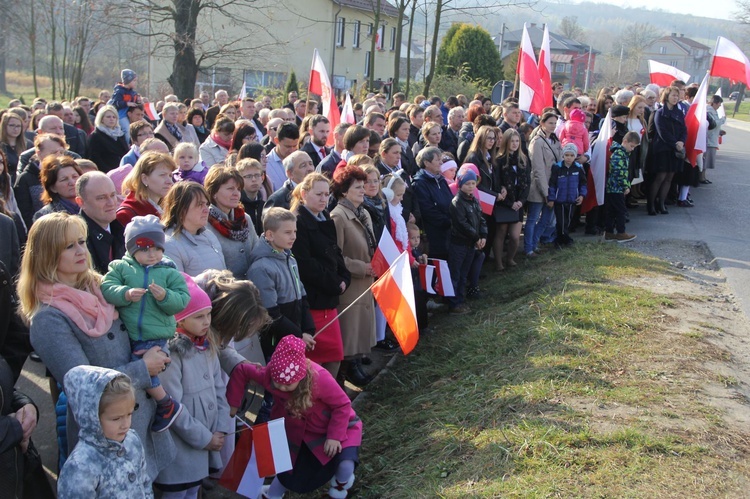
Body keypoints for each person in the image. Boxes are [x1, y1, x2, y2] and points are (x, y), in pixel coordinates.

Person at [18, 213, 176, 480]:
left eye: (81, 241)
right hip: (108, 435)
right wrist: (143, 368)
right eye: (69, 246)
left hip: (142, 419)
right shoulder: (48, 318)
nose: (81, 250)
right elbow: (85, 386)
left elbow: (149, 324)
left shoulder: (101, 286)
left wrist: (160, 350)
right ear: (46, 253)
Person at [226, 335, 362, 499]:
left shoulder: (320, 378)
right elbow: (242, 370)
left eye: (288, 384)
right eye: (278, 384)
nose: (282, 388)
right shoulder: (269, 375)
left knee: (345, 465)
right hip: (297, 433)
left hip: (335, 427)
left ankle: (339, 489)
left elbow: (342, 405)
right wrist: (233, 404)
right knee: (288, 472)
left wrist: (334, 436)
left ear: (301, 375)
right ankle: (272, 495)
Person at [101, 215, 189, 432]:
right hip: (129, 333)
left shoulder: (169, 271)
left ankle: (165, 403)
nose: (152, 254)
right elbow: (107, 287)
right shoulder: (121, 268)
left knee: (143, 367)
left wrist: (165, 297)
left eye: (157, 249)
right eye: (145, 249)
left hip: (154, 334)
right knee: (141, 367)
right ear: (132, 250)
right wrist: (125, 294)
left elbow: (183, 299)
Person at [154, 275, 232, 499]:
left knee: (193, 490)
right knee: (178, 493)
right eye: (199, 317)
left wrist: (220, 427)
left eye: (208, 314)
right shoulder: (171, 353)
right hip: (183, 446)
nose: (207, 321)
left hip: (207, 437)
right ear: (179, 321)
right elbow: (172, 405)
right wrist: (205, 438)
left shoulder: (207, 345)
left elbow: (220, 389)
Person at [57, 366, 151, 498]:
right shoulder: (80, 466)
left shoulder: (132, 440)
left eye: (129, 414)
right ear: (92, 418)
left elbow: (144, 481)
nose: (126, 424)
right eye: (116, 418)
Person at [290, 173, 350, 378]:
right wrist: (335, 283)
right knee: (313, 363)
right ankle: (315, 403)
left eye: (327, 194)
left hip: (329, 300)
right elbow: (306, 264)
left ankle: (328, 398)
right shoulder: (298, 221)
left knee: (335, 354)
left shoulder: (324, 217)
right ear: (304, 194)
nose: (324, 199)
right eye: (319, 194)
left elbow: (335, 251)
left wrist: (344, 276)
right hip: (314, 301)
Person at [247, 207, 316, 359]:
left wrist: (308, 329)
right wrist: (299, 334)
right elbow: (270, 314)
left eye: (295, 231)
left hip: (294, 336)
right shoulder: (261, 268)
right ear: (270, 235)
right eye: (287, 232)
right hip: (275, 341)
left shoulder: (290, 258)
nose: (293, 237)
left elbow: (302, 296)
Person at [330, 165, 376, 386]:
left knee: (358, 337)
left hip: (366, 282)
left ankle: (352, 370)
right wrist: (361, 267)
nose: (363, 189)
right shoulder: (338, 216)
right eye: (357, 186)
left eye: (362, 185)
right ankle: (342, 381)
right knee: (349, 338)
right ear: (344, 191)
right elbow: (336, 257)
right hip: (351, 286)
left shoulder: (364, 212)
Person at [204, 166, 259, 278]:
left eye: (238, 189)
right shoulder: (205, 224)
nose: (236, 193)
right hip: (226, 290)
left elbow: (257, 251)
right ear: (214, 192)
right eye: (230, 188)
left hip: (252, 287)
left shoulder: (244, 219)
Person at [163, 182, 226, 276]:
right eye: (200, 204)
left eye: (207, 204)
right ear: (181, 209)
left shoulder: (209, 235)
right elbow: (177, 286)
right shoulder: (170, 245)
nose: (206, 210)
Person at [448, 170, 487, 315]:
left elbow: (481, 219)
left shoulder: (474, 200)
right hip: (459, 244)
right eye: (467, 183)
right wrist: (477, 237)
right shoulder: (457, 202)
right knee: (455, 274)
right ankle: (454, 303)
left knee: (464, 274)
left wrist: (483, 235)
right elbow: (462, 224)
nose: (471, 186)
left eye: (473, 183)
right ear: (460, 184)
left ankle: (461, 300)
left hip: (471, 243)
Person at [75, 172, 126, 274]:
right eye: (101, 198)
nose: (111, 203)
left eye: (113, 195)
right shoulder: (74, 237)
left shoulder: (122, 229)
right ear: (81, 202)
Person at [14, 134, 68, 228]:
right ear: (39, 153)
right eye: (54, 152)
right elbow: (24, 214)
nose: (59, 156)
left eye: (61, 152)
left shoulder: (70, 175)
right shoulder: (25, 179)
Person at [493, 129, 529, 269]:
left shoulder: (523, 159)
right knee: (501, 233)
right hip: (504, 202)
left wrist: (521, 201)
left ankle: (510, 258)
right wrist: (509, 202)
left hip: (518, 202)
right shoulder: (499, 160)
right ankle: (498, 263)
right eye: (512, 141)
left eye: (517, 141)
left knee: (515, 236)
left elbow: (527, 183)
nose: (514, 144)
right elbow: (497, 183)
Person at [647, 86, 686, 216]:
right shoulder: (659, 113)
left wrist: (681, 141)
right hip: (663, 149)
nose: (675, 98)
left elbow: (683, 130)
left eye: (677, 95)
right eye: (673, 95)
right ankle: (651, 204)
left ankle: (662, 203)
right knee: (660, 177)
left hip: (675, 150)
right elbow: (662, 132)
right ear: (666, 97)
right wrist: (675, 144)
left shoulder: (679, 113)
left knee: (669, 178)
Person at [526, 112, 561, 256]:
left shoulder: (555, 139)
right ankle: (528, 248)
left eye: (554, 123)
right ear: (542, 123)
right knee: (533, 218)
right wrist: (546, 193)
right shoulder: (537, 142)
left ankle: (534, 243)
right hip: (539, 187)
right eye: (550, 123)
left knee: (546, 219)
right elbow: (538, 169)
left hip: (552, 185)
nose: (553, 126)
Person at [412, 147, 453, 261]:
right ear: (426, 163)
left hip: (448, 231)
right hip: (434, 235)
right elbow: (427, 210)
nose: (441, 162)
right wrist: (447, 222)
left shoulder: (441, 179)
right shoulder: (420, 184)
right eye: (437, 159)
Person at [116, 152, 176, 226]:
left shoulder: (167, 208)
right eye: (162, 175)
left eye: (170, 176)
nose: (170, 182)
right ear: (144, 179)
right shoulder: (127, 214)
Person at [548, 143, 587, 248]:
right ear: (563, 155)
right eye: (567, 155)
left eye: (571, 155)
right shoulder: (557, 167)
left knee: (568, 221)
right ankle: (562, 240)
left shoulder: (578, 168)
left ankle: (563, 239)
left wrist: (582, 195)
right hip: (559, 200)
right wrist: (551, 198)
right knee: (560, 221)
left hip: (572, 200)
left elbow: (583, 183)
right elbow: (552, 184)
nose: (569, 158)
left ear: (575, 156)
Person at [604, 132, 640, 243]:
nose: (632, 149)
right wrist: (625, 186)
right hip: (616, 188)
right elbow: (619, 172)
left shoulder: (621, 153)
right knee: (621, 211)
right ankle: (621, 232)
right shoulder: (619, 154)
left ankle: (609, 232)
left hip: (614, 187)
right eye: (632, 146)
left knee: (612, 211)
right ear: (625, 141)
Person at [32, 155, 83, 222]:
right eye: (64, 179)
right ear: (53, 188)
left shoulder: (94, 205)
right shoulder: (45, 215)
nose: (72, 182)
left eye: (74, 176)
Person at [88, 105, 129, 173]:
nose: (111, 119)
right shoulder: (96, 136)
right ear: (101, 119)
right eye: (108, 117)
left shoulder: (120, 134)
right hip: (106, 172)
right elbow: (95, 158)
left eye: (114, 117)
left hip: (122, 171)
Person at [1, 112, 33, 182]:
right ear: (4, 126)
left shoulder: (28, 145)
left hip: (23, 182)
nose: (15, 129)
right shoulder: (1, 146)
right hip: (5, 183)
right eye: (12, 125)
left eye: (18, 126)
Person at [236, 158, 265, 236]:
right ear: (240, 180)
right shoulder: (237, 206)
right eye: (248, 176)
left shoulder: (265, 205)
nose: (254, 179)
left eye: (257, 175)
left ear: (262, 177)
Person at [108, 69, 142, 134]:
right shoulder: (119, 91)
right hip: (120, 115)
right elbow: (115, 104)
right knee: (127, 129)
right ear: (128, 81)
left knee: (144, 124)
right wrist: (127, 104)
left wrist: (138, 100)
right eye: (134, 80)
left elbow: (134, 102)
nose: (136, 82)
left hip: (129, 114)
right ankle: (127, 143)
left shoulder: (132, 92)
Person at [703, 94, 726, 184]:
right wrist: (722, 120)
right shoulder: (708, 111)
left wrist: (720, 131)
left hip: (712, 139)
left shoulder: (713, 111)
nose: (719, 106)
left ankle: (704, 177)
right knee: (705, 161)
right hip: (709, 140)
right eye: (719, 104)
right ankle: (701, 177)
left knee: (707, 161)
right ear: (714, 103)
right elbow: (713, 124)